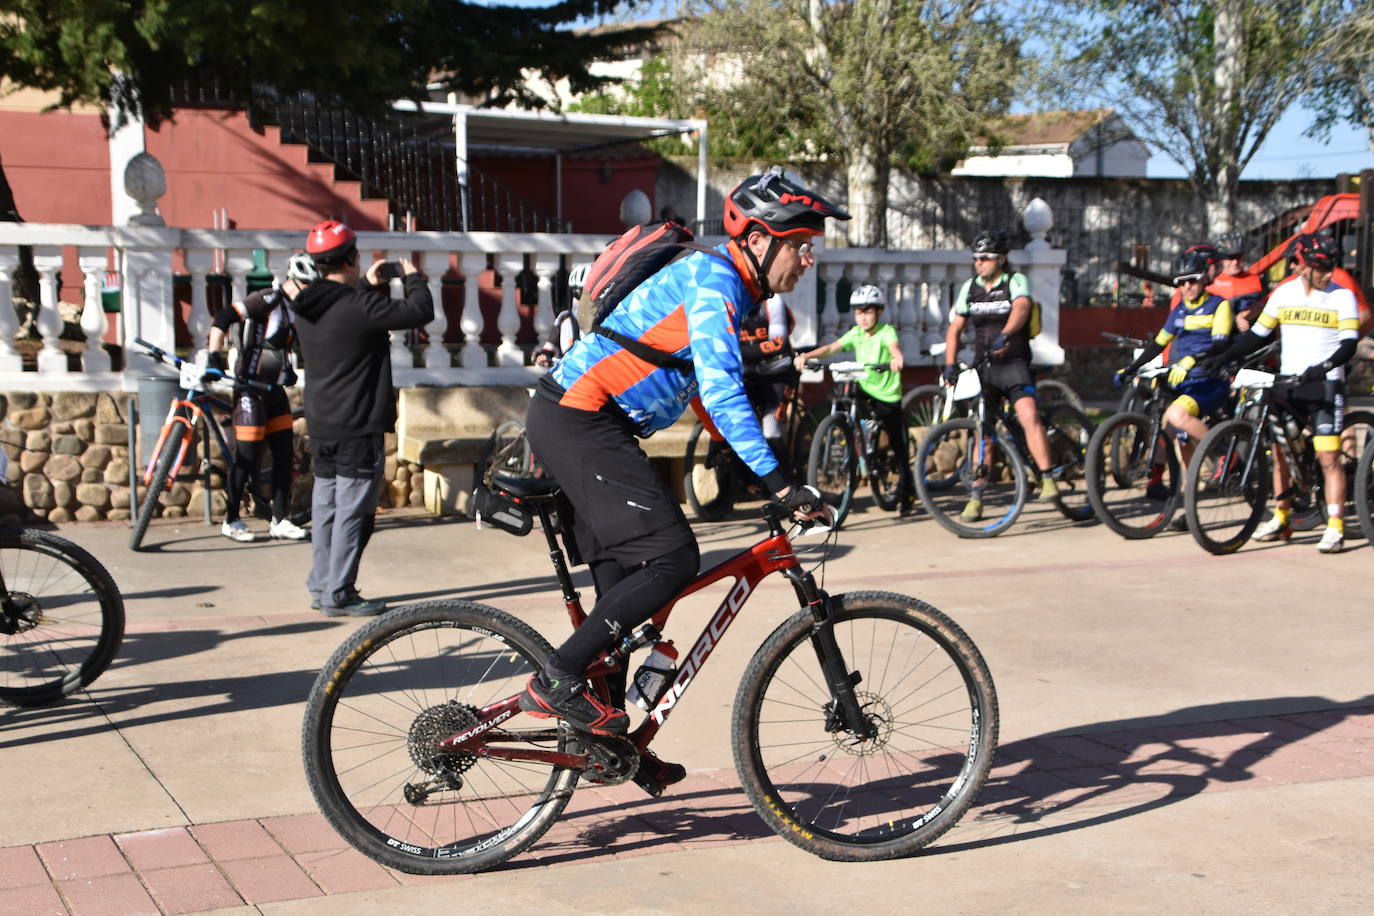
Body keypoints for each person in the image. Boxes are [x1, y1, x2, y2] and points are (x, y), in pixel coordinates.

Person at [518, 167, 847, 779]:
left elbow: (701, 396)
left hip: (587, 423)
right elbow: (723, 392)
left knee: (623, 600)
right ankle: (556, 680)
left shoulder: (724, 286)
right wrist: (778, 481)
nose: (806, 261)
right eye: (800, 245)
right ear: (757, 238)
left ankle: (608, 748)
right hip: (580, 418)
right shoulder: (716, 280)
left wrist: (756, 474)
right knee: (672, 558)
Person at [289, 220, 434, 615]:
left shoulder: (307, 304)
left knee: (326, 507)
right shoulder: (357, 306)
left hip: (323, 424)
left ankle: (321, 586)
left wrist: (366, 287)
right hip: (357, 425)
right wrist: (412, 275)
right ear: (352, 258)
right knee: (354, 511)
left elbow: (349, 318)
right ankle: (340, 592)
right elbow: (421, 311)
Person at [1201, 233, 1358, 554]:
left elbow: (1349, 344)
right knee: (1280, 453)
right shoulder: (1283, 294)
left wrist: (1324, 365)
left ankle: (1335, 526)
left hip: (1324, 384)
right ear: (1301, 266)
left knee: (1328, 457)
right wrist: (1222, 357)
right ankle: (1282, 518)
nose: (1328, 273)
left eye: (1331, 266)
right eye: (1320, 267)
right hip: (1287, 382)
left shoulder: (1342, 297)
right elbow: (1257, 335)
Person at [942, 229, 1058, 522]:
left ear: (1002, 259)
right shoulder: (970, 287)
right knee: (984, 433)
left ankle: (1047, 477)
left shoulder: (1014, 281)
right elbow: (955, 328)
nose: (979, 262)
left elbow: (1021, 308)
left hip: (1015, 363)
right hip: (984, 368)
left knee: (1028, 415)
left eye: (986, 257)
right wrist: (949, 364)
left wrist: (1005, 335)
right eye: (976, 258)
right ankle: (976, 498)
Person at [204, 253, 314, 543]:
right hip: (250, 388)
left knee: (283, 455)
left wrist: (289, 370)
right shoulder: (269, 299)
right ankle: (231, 519)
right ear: (294, 281)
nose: (308, 291)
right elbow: (225, 316)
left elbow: (284, 348)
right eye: (306, 285)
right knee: (248, 456)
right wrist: (214, 356)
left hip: (274, 390)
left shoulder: (295, 311)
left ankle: (280, 519)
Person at [1114, 248, 1235, 497]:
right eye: (1181, 282)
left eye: (1192, 280)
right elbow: (1159, 342)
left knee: (1176, 415)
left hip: (1210, 380)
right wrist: (1131, 369)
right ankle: (1174, 487)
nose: (1187, 287)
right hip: (1186, 381)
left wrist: (1192, 359)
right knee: (1174, 434)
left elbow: (1221, 343)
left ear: (1203, 279)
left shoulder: (1219, 305)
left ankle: (1223, 454)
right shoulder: (1179, 309)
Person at [794, 284, 914, 514]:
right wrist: (807, 356)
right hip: (866, 389)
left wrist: (897, 358)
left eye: (868, 311)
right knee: (845, 392)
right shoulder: (856, 334)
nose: (864, 317)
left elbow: (895, 347)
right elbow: (831, 348)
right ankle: (848, 433)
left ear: (878, 313)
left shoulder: (886, 332)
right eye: (859, 312)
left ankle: (907, 490)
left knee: (899, 447)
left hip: (887, 394)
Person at [533, 263, 587, 368]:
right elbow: (549, 348)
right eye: (576, 294)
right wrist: (544, 356)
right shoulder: (564, 318)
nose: (580, 300)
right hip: (570, 374)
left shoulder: (605, 319)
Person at [1209, 232, 1265, 331]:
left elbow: (1264, 306)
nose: (1235, 262)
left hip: (1248, 336)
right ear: (1221, 259)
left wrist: (1245, 315)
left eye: (1238, 257)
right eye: (1230, 258)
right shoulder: (1211, 284)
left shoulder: (1256, 281)